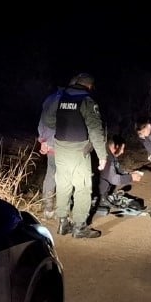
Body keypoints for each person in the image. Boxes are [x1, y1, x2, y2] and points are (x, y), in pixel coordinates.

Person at [41, 72, 107, 238]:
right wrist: (102, 155)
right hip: (79, 150)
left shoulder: (61, 97)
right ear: (89, 86)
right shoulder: (87, 101)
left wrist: (65, 123)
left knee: (63, 185)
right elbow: (95, 130)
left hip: (60, 148)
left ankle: (63, 222)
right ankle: (79, 226)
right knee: (83, 187)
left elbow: (48, 120)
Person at [96, 135, 143, 215]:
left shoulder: (111, 155)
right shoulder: (106, 157)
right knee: (106, 181)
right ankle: (99, 199)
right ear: (116, 146)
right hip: (94, 188)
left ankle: (104, 196)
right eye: (122, 149)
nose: (122, 152)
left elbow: (119, 170)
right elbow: (114, 179)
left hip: (100, 185)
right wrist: (131, 178)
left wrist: (130, 174)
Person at [36, 84, 63, 218]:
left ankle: (48, 208)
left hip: (49, 145)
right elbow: (61, 126)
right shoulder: (66, 101)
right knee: (65, 176)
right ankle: (62, 210)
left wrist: (43, 141)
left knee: (50, 175)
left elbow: (42, 122)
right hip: (61, 145)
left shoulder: (49, 99)